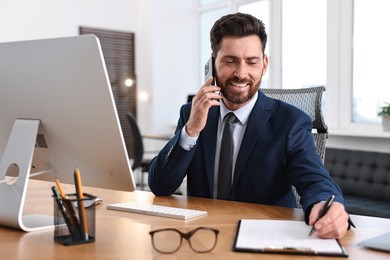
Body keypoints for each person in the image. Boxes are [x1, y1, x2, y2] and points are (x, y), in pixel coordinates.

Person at [148, 13, 351, 238]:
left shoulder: (290, 122)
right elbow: (160, 185)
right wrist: (191, 130)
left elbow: (314, 177)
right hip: (203, 238)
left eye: (251, 62)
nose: (241, 74)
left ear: (264, 65)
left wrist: (327, 205)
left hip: (262, 240)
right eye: (230, 60)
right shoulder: (192, 114)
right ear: (213, 64)